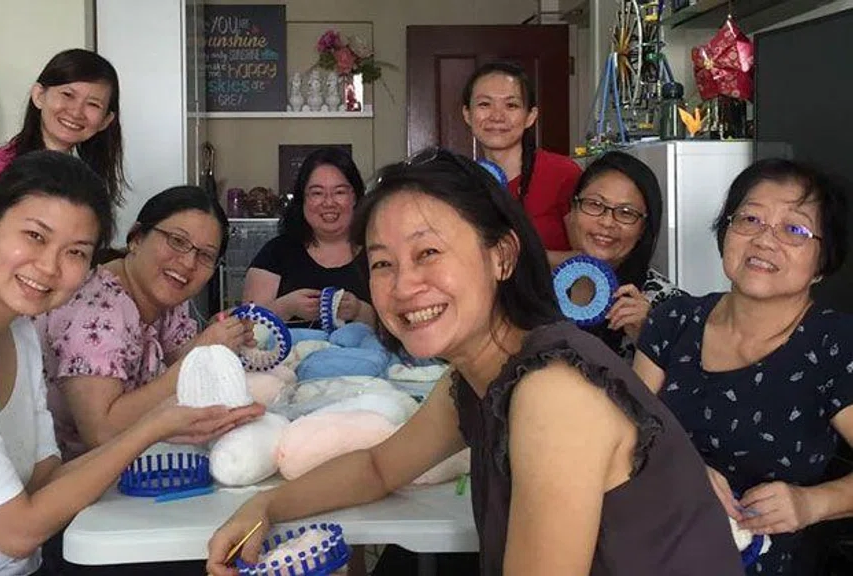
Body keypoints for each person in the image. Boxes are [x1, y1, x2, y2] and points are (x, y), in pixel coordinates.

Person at [206, 149, 743, 576]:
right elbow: (379, 467)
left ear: (502, 255)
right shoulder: (480, 374)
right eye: (382, 263)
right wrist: (266, 510)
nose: (404, 286)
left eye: (429, 253)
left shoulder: (552, 393)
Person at [0, 151, 244, 576]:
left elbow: (44, 479)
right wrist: (154, 426)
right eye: (36, 236)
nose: (48, 267)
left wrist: (167, 421)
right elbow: (15, 532)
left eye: (75, 252)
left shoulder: (18, 329)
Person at [633, 159, 853, 576]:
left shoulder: (835, 345)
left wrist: (813, 503)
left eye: (794, 229)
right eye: (750, 219)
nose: (765, 240)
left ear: (823, 262)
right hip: (657, 553)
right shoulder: (674, 320)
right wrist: (681, 469)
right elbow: (627, 433)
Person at [37, 185, 264, 462]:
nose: (188, 263)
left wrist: (226, 337)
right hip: (70, 478)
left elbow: (178, 355)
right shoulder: (96, 312)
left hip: (132, 463)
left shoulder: (164, 298)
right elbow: (101, 432)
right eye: (178, 241)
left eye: (205, 255)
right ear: (136, 238)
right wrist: (203, 351)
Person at [0, 48, 125, 262]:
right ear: (39, 95)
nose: (76, 112)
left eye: (93, 104)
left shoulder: (88, 185)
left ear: (105, 120)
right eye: (67, 95)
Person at [565, 151, 684, 360]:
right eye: (595, 204)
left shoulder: (669, 305)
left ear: (643, 229)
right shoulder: (540, 291)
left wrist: (648, 338)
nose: (607, 222)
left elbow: (689, 387)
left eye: (626, 212)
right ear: (573, 211)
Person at [461, 61, 581, 266]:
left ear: (530, 117)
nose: (497, 116)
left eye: (511, 105)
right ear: (467, 114)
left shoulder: (563, 174)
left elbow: (589, 262)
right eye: (484, 104)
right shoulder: (459, 182)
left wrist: (517, 256)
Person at [243, 147, 376, 328]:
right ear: (302, 199)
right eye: (317, 193)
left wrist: (360, 311)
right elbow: (246, 328)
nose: (328, 203)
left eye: (339, 192)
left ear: (355, 197)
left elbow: (400, 329)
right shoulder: (275, 253)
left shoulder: (377, 252)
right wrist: (286, 308)